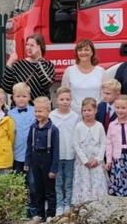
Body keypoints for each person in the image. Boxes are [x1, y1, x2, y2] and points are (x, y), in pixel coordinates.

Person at [25, 97, 59, 222]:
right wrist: (27, 162)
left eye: (41, 111)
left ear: (48, 111)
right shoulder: (33, 127)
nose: (38, 114)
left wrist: (54, 169)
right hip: (35, 159)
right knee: (37, 189)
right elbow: (29, 145)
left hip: (47, 159)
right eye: (36, 111)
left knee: (49, 189)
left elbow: (56, 151)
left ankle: (51, 214)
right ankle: (39, 214)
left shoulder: (53, 129)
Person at [49, 86, 80, 216]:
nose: (65, 102)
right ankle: (59, 205)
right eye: (62, 99)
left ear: (71, 100)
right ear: (56, 100)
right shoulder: (52, 115)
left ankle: (68, 204)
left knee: (69, 181)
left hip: (70, 154)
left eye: (67, 99)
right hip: (57, 155)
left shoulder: (75, 116)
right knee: (58, 181)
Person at [71, 98, 108, 205]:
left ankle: (98, 202)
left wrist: (98, 159)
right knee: (84, 182)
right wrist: (84, 160)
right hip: (83, 163)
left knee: (97, 181)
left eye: (89, 110)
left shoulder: (99, 126)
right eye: (84, 110)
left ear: (95, 110)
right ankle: (83, 203)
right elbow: (76, 144)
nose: (87, 113)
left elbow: (103, 143)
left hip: (96, 161)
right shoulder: (79, 126)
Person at [2, 33, 55, 101]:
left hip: (39, 108)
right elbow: (6, 88)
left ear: (40, 47)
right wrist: (9, 64)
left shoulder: (48, 65)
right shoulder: (18, 65)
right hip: (19, 108)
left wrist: (39, 59)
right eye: (27, 44)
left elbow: (46, 83)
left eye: (32, 45)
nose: (28, 48)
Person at [61, 39, 105, 114]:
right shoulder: (69, 71)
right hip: (74, 115)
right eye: (80, 50)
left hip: (95, 115)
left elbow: (104, 96)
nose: (83, 52)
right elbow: (64, 93)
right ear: (77, 53)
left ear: (92, 52)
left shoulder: (101, 72)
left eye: (86, 50)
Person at [9, 82, 35, 174]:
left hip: (32, 153)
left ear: (29, 97)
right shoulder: (9, 114)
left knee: (32, 181)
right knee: (17, 179)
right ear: (13, 97)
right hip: (16, 152)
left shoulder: (35, 111)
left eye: (24, 96)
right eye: (18, 96)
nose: (21, 99)